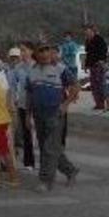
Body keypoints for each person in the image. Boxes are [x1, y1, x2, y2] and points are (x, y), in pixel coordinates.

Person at [26, 43, 80, 192]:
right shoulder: (32, 71)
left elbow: (76, 85)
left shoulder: (60, 69)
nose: (44, 53)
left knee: (50, 148)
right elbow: (29, 95)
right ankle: (70, 170)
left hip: (55, 113)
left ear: (50, 52)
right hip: (38, 114)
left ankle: (45, 181)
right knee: (46, 148)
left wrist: (66, 104)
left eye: (46, 50)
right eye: (40, 50)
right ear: (36, 54)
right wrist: (27, 115)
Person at [83, 25, 109, 111]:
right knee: (94, 85)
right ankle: (98, 103)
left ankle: (106, 102)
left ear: (93, 31)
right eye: (86, 33)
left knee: (101, 84)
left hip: (99, 64)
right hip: (91, 65)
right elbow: (88, 54)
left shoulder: (99, 39)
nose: (87, 34)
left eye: (89, 32)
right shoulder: (87, 41)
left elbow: (104, 50)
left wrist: (102, 60)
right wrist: (86, 65)